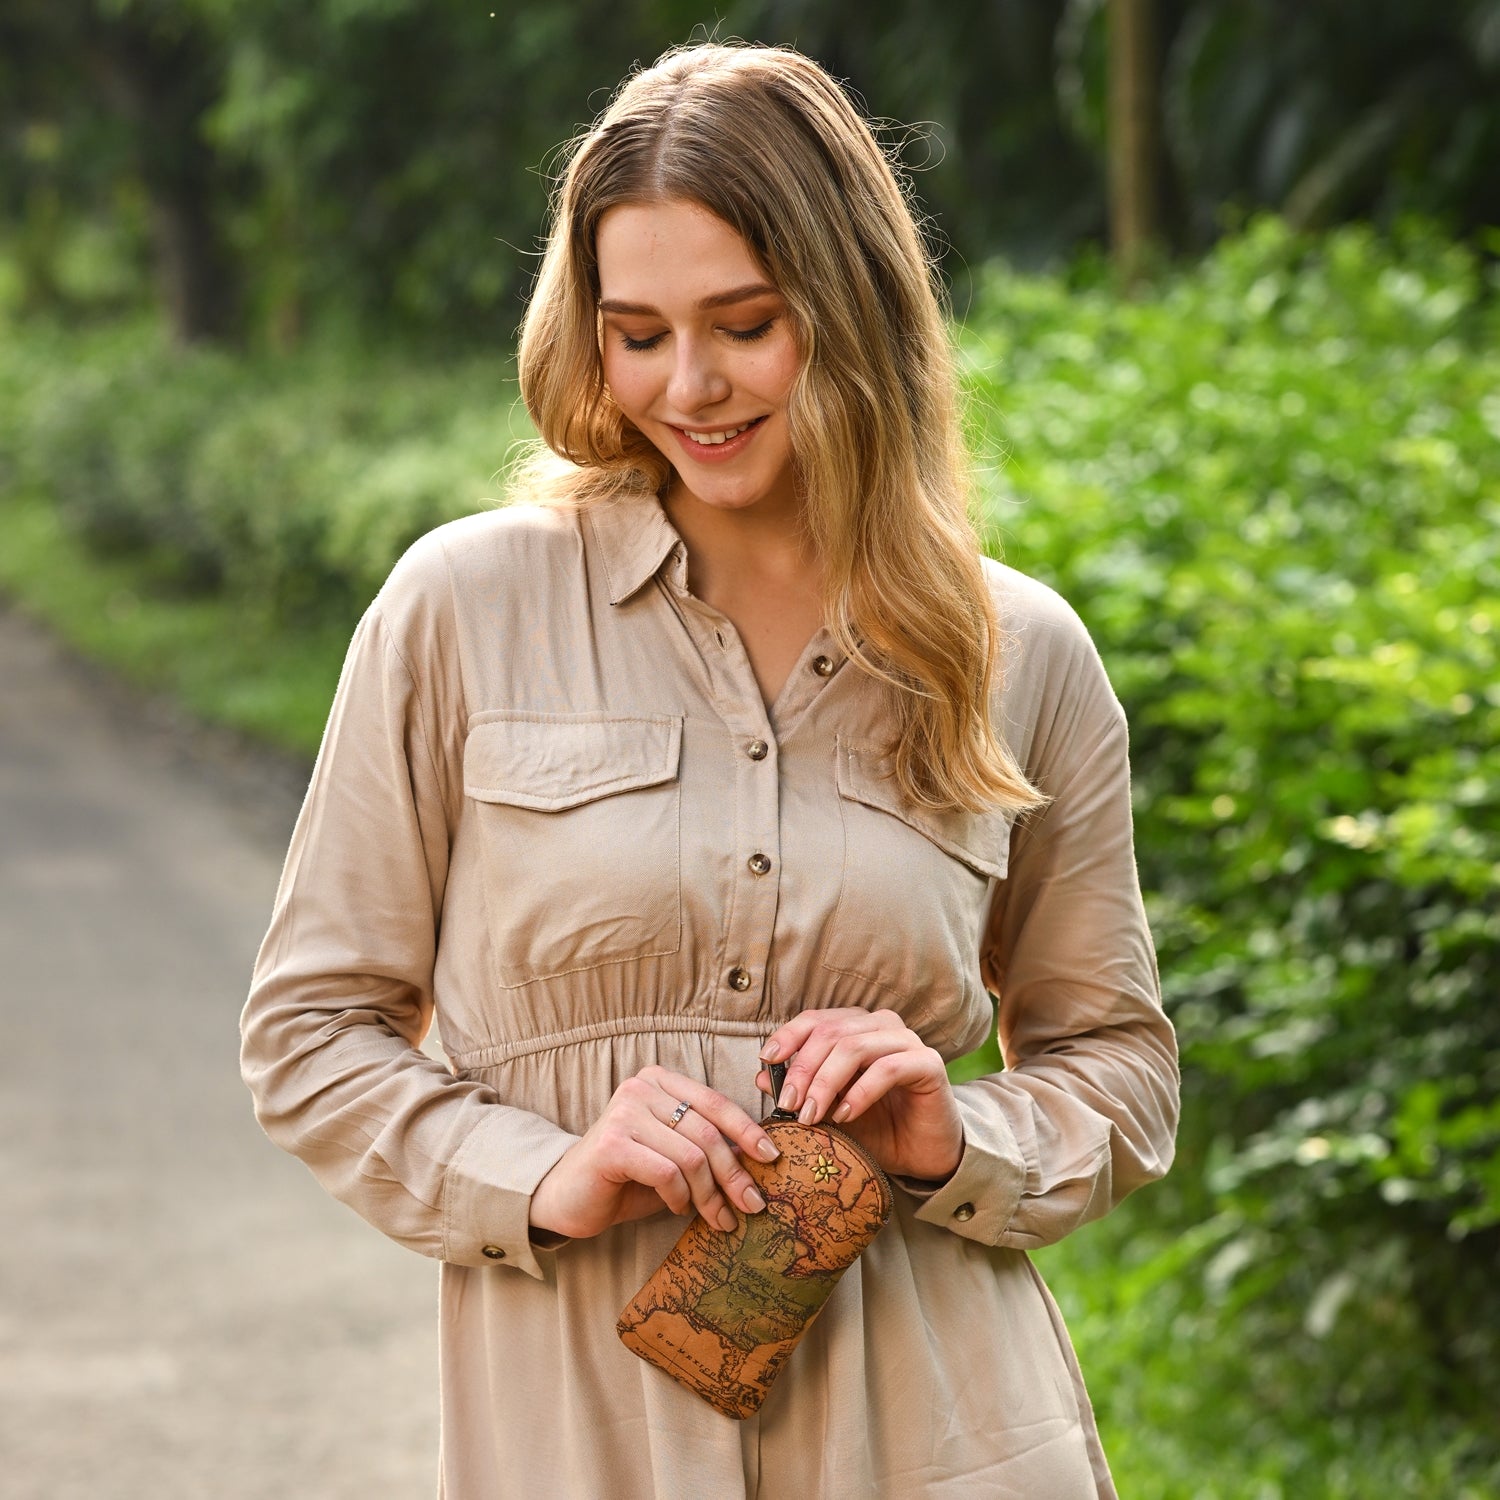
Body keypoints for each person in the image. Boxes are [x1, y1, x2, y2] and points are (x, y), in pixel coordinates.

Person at [240, 40, 1178, 1500]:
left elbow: (1121, 1071)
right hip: (581, 1441)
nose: (692, 385)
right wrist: (541, 1174)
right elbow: (307, 1038)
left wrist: (954, 1132)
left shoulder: (1017, 653)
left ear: (852, 312)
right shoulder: (464, 611)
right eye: (638, 332)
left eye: (747, 324)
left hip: (946, 1438)